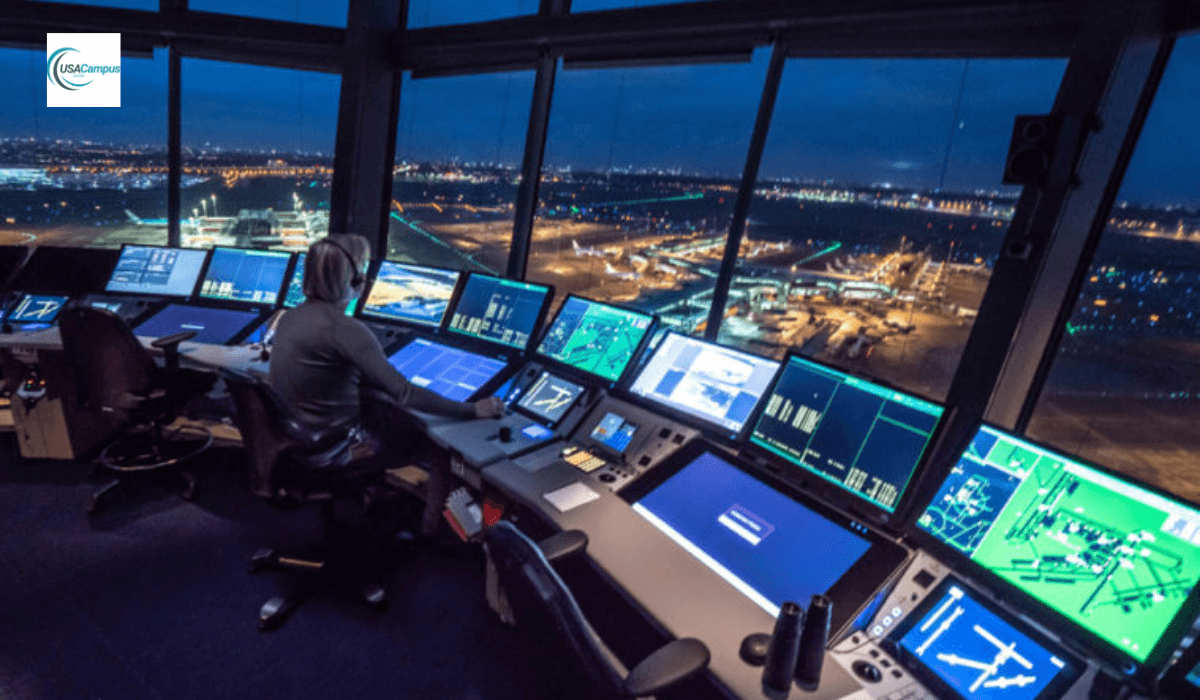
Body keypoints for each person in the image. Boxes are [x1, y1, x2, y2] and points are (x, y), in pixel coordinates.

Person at [269, 234, 503, 534]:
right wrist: (472, 409)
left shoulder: (289, 318)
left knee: (392, 417)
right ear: (353, 280)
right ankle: (448, 533)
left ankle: (449, 523)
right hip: (337, 447)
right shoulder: (346, 330)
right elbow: (405, 393)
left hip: (302, 440)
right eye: (363, 269)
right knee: (440, 446)